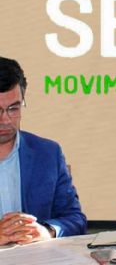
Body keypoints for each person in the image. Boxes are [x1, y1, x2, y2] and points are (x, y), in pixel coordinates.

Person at [0, 57, 86, 245]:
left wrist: (47, 231)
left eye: (13, 109)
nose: (5, 120)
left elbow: (75, 219)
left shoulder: (47, 153)